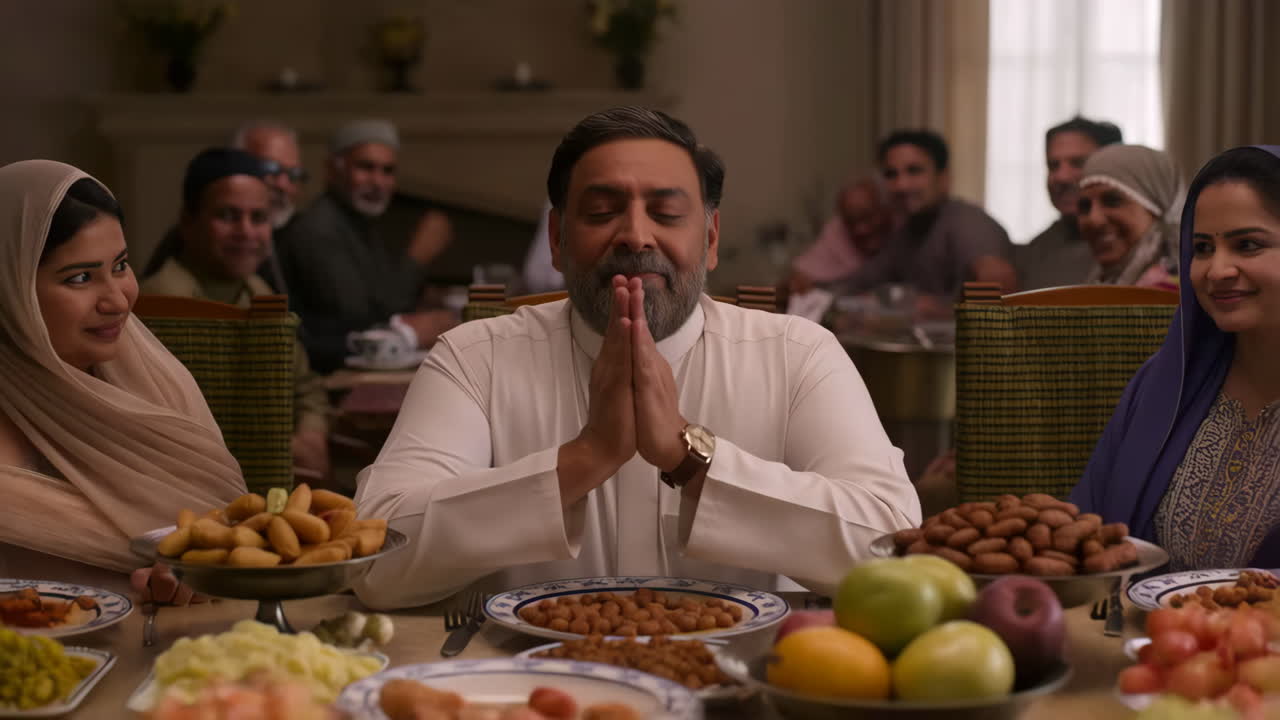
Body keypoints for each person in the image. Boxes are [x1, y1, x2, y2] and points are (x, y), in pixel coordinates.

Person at [351, 107, 921, 610]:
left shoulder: (798, 356)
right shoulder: (476, 358)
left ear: (711, 238)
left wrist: (689, 457)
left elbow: (892, 549)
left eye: (667, 213)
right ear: (556, 239)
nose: (635, 236)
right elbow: (373, 561)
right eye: (602, 212)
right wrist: (584, 458)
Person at [0, 159, 246, 585]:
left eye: (119, 266)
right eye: (79, 278)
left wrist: (193, 579)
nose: (117, 300)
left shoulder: (160, 383)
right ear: (11, 291)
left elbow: (231, 533)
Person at [1071, 146, 1280, 571]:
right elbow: (1085, 535)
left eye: (1248, 245)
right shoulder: (1165, 384)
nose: (1216, 269)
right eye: (1202, 248)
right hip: (1129, 631)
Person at [141, 148, 333, 483]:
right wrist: (279, 446)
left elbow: (306, 387)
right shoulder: (158, 307)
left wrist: (312, 434)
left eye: (258, 218)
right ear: (188, 222)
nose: (246, 231)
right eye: (228, 215)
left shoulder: (259, 293)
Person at [275, 119, 456, 373]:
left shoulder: (359, 220)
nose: (378, 182)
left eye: (387, 171)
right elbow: (364, 319)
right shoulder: (319, 229)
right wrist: (418, 257)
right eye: (366, 168)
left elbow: (380, 297)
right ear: (332, 170)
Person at [850, 130, 1016, 308]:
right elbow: (860, 282)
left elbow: (998, 281)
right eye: (891, 174)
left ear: (944, 178)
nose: (901, 185)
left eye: (914, 171)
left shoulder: (967, 223)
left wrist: (935, 308)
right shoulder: (906, 232)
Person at [1018, 117, 1124, 290]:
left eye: (1078, 163)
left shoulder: (1142, 246)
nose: (1062, 177)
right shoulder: (1037, 250)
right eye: (1053, 166)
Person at [1077, 144, 1184, 289]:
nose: (1094, 219)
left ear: (1159, 206)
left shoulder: (1176, 291)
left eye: (1112, 201)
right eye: (1085, 206)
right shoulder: (1107, 280)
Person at [230, 120, 307, 293]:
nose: (283, 185)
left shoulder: (301, 233)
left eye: (293, 174)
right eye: (270, 168)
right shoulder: (206, 231)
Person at [788, 178, 894, 295]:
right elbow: (800, 276)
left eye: (867, 217)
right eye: (851, 222)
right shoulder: (837, 232)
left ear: (884, 210)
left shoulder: (901, 229)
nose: (860, 230)